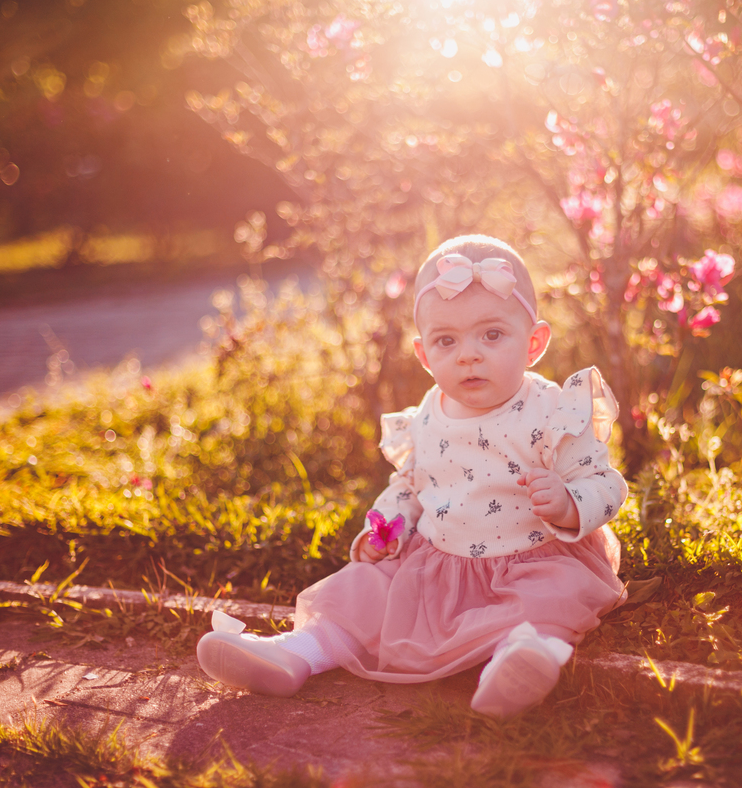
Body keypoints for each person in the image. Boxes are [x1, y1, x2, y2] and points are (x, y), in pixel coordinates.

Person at [196, 234, 627, 717]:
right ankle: (295, 651)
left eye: (491, 335)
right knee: (361, 590)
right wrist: (386, 531)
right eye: (448, 341)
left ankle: (521, 658)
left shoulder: (552, 410)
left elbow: (605, 483)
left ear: (534, 343)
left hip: (531, 559)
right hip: (437, 567)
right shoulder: (425, 416)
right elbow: (410, 487)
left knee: (550, 598)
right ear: (424, 356)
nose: (468, 355)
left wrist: (570, 503)